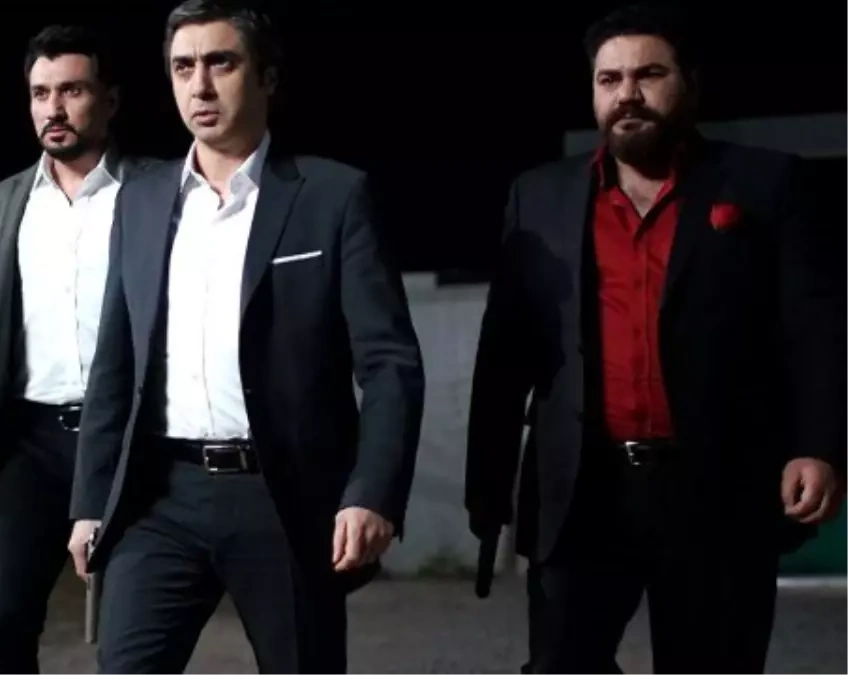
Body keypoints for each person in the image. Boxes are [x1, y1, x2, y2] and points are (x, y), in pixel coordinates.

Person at [465, 5, 847, 674]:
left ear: (689, 84)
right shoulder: (540, 195)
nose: (627, 94)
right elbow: (505, 354)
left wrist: (819, 446)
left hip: (716, 484)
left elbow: (815, 328)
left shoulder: (765, 184)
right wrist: (488, 487)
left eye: (648, 75)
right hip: (584, 489)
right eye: (609, 79)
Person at [66, 1, 425, 673]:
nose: (200, 85)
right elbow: (115, 361)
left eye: (221, 63)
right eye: (183, 68)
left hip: (282, 496)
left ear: (267, 77)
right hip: (159, 497)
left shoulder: (331, 195)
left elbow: (389, 362)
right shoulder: (140, 199)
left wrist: (372, 489)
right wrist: (90, 501)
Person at [0, 24, 157, 675]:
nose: (54, 108)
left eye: (72, 90)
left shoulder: (153, 190)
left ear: (109, 99)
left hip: (126, 436)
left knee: (130, 635)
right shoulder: (4, 201)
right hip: (30, 441)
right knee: (2, 622)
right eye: (41, 93)